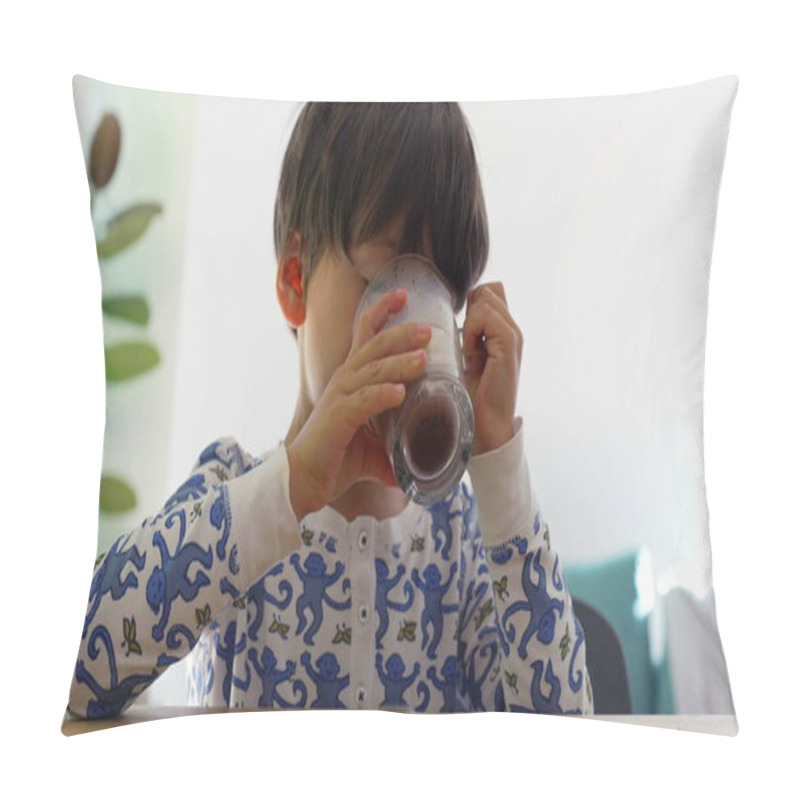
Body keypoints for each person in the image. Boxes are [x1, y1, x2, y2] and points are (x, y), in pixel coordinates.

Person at [68, 102, 593, 717]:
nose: (415, 333)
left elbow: (566, 739)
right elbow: (73, 668)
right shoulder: (238, 493)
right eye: (387, 281)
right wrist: (293, 485)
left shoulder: (458, 541)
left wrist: (500, 466)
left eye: (439, 296)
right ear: (295, 279)